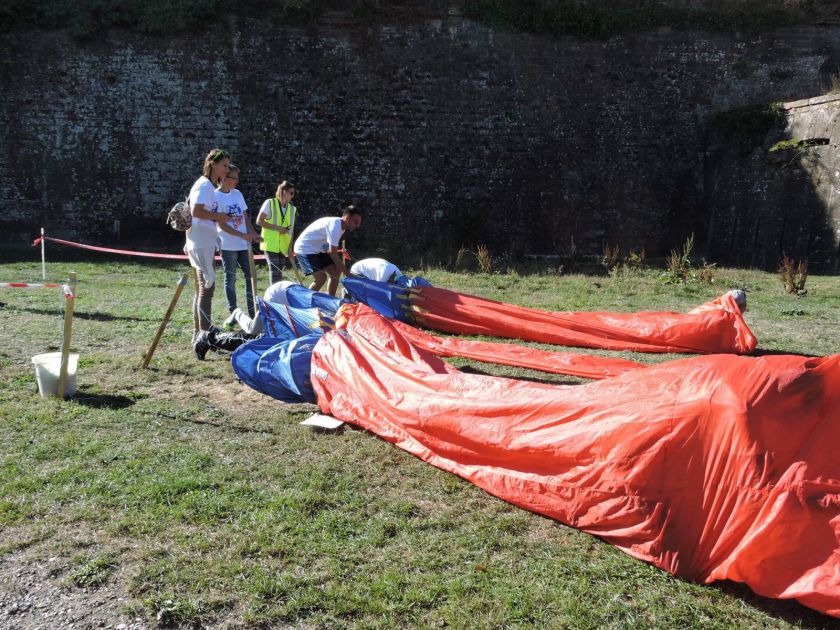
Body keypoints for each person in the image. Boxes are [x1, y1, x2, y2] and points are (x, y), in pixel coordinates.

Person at [186, 148, 232, 347]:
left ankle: (199, 333)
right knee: (206, 289)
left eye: (228, 166)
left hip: (202, 240)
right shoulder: (204, 185)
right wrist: (219, 217)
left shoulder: (207, 186)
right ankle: (204, 337)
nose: (226, 169)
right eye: (224, 165)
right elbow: (196, 211)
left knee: (202, 289)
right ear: (212, 163)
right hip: (201, 241)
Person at [216, 165, 260, 319]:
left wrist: (253, 233)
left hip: (244, 244)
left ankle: (253, 311)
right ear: (224, 178)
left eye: (237, 178)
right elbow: (221, 225)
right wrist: (242, 235)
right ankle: (233, 312)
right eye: (233, 178)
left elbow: (245, 217)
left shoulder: (238, 194)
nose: (236, 181)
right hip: (228, 245)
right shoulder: (215, 196)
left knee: (251, 276)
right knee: (231, 278)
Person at [293, 205, 363, 296]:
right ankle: (303, 302)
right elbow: (333, 254)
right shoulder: (335, 226)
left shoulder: (341, 226)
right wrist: (348, 274)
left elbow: (331, 250)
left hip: (319, 248)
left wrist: (342, 270)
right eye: (356, 222)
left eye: (359, 223)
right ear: (347, 218)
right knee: (321, 278)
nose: (357, 226)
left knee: (336, 272)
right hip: (304, 248)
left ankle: (331, 300)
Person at [256, 181, 297, 285]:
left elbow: (291, 231)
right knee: (274, 273)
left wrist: (290, 249)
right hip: (270, 244)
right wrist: (278, 228)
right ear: (283, 191)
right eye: (291, 193)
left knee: (279, 274)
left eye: (293, 193)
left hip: (283, 247)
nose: (293, 196)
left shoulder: (292, 209)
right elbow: (259, 221)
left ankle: (276, 297)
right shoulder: (269, 203)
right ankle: (272, 298)